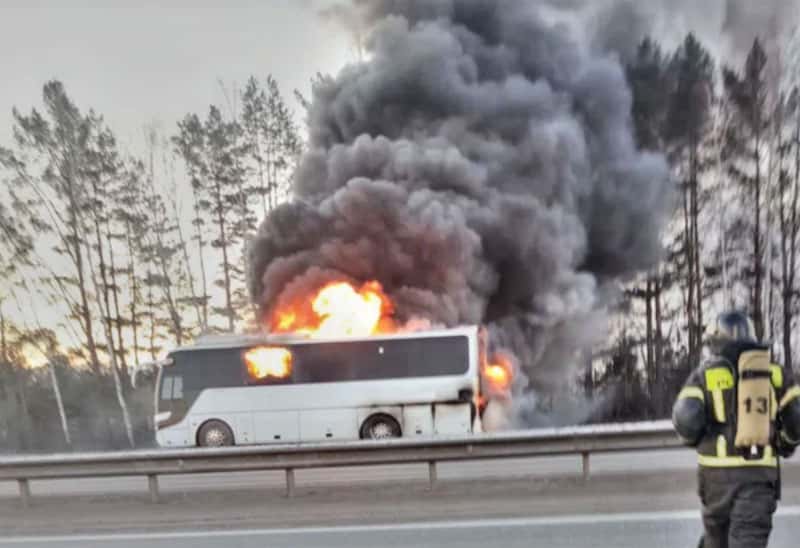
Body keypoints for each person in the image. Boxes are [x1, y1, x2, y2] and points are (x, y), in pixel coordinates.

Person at [672, 311, 800, 548]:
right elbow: (797, 416)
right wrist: (785, 442)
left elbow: (685, 418)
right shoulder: (774, 372)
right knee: (747, 541)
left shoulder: (704, 375)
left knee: (715, 542)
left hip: (714, 481)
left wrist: (700, 439)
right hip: (758, 478)